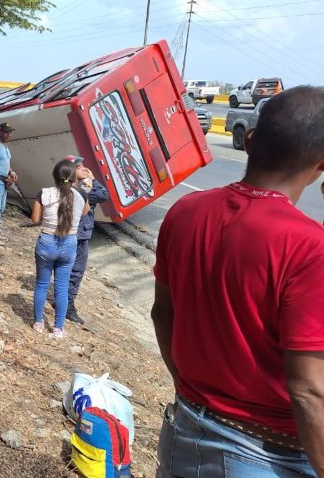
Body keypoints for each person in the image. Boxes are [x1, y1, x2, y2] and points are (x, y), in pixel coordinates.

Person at [151, 87, 324, 477]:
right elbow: (309, 391)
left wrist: (191, 390)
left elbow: (163, 315)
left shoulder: (185, 212)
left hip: (186, 430)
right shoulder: (310, 246)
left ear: (248, 141)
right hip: (266, 456)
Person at [30, 159, 90, 338]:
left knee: (42, 284)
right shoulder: (81, 195)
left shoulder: (44, 193)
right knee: (62, 288)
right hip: (69, 243)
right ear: (73, 178)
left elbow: (34, 220)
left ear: (54, 176)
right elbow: (85, 212)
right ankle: (58, 328)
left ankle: (38, 322)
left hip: (47, 242)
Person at [61, 155, 108, 325]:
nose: (84, 170)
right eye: (79, 167)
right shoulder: (82, 189)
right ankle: (67, 306)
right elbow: (103, 195)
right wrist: (93, 179)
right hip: (78, 234)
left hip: (70, 232)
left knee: (66, 269)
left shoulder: (64, 185)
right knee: (75, 270)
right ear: (72, 170)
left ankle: (62, 301)